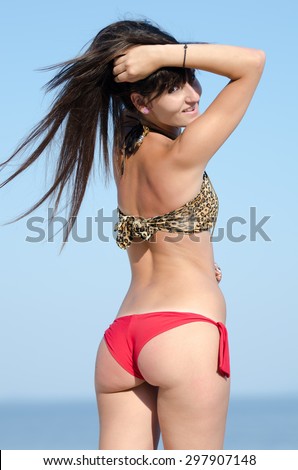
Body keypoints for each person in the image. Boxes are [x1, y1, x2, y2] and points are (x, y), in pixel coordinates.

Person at [0, 20, 265, 450]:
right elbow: (252, 63)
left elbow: (160, 230)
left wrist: (199, 259)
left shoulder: (122, 149)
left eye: (192, 80)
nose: (194, 94)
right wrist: (165, 54)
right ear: (140, 101)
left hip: (122, 342)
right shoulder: (183, 154)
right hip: (185, 336)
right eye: (175, 87)